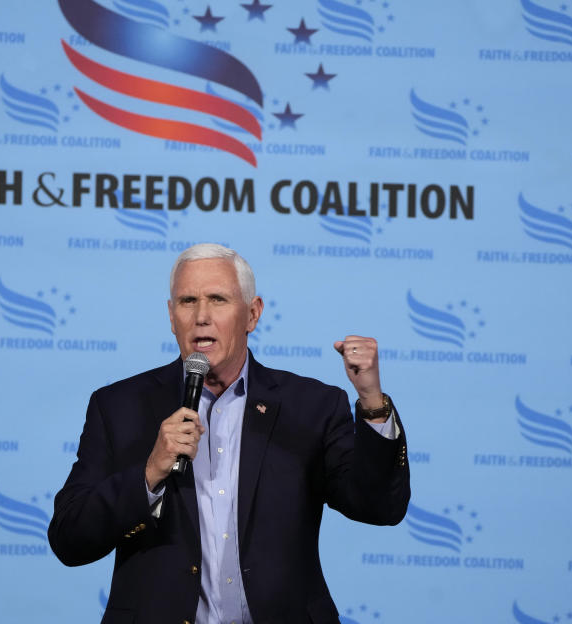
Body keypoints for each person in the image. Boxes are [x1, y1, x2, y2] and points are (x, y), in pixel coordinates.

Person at [48, 244, 410, 624]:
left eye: (218, 299)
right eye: (187, 301)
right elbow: (69, 540)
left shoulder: (311, 406)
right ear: (172, 317)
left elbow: (379, 507)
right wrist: (148, 474)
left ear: (252, 314)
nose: (201, 317)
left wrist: (371, 402)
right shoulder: (119, 406)